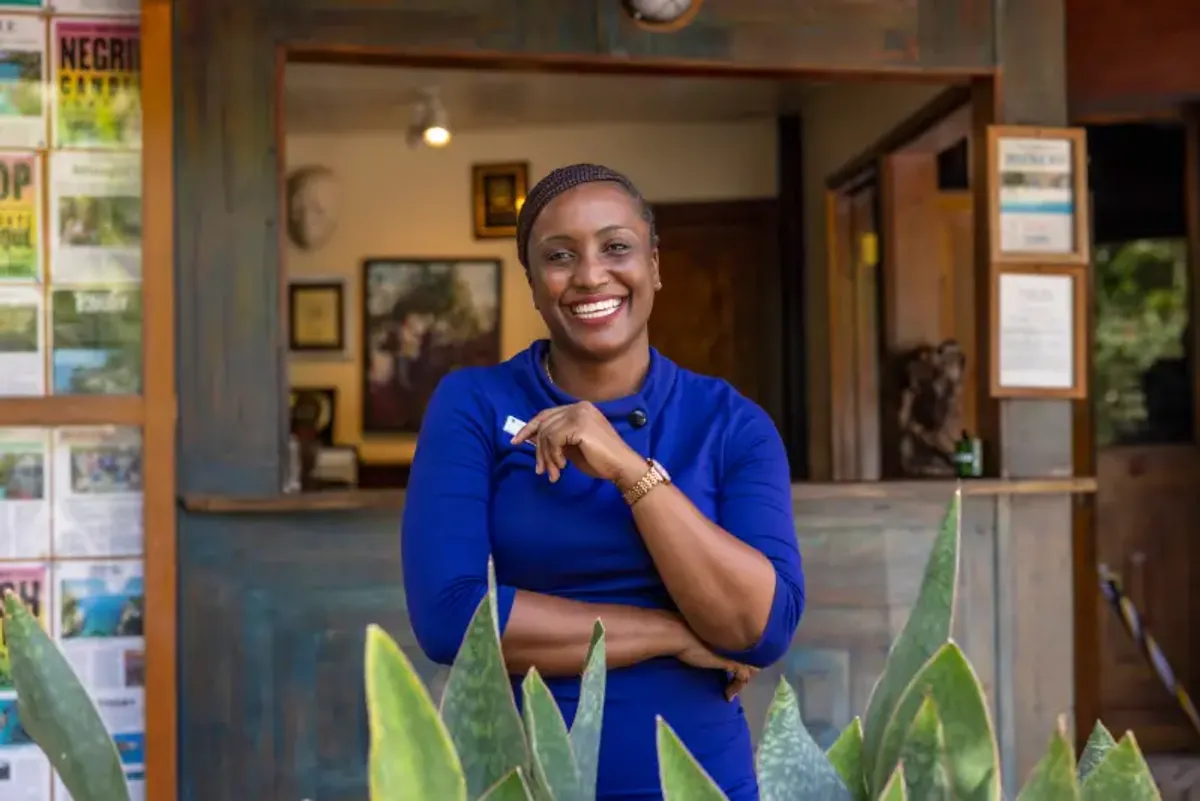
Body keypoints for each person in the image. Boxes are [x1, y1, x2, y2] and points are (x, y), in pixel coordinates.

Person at [402, 163, 805, 800]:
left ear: (654, 265)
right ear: (534, 285)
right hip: (523, 779)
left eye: (616, 247)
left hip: (697, 781)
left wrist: (626, 468)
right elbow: (454, 619)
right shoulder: (474, 405)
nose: (591, 274)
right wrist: (669, 634)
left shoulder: (731, 425)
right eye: (559, 256)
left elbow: (761, 629)